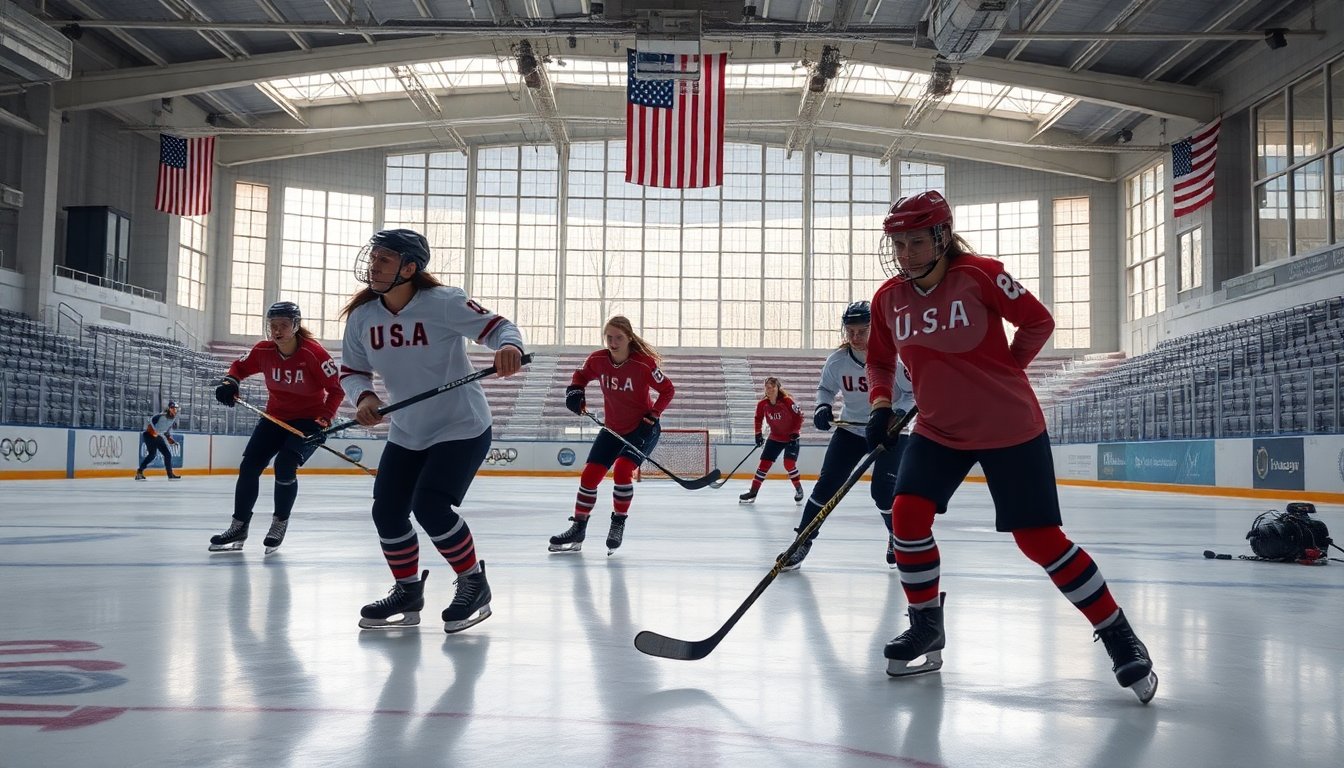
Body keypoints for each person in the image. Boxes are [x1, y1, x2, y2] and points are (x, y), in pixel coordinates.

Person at [865, 190, 1157, 703]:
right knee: (906, 516)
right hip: (938, 430)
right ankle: (926, 624)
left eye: (916, 242)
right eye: (899, 244)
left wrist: (1006, 368)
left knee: (1039, 540)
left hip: (1010, 426)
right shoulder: (888, 299)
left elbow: (1038, 320)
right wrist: (880, 406)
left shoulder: (980, 276)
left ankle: (1118, 634)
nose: (905, 254)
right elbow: (879, 360)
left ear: (942, 236)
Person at [339, 228, 524, 633]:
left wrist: (509, 347)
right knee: (387, 511)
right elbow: (352, 372)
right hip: (407, 431)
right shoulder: (363, 317)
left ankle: (473, 583)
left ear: (409, 268)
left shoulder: (444, 302)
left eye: (383, 259)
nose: (373, 266)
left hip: (461, 425)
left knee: (430, 506)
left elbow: (500, 328)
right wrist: (364, 398)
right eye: (373, 258)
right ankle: (408, 591)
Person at [781, 301, 916, 571]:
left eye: (862, 331)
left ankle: (896, 535)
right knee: (826, 486)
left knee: (883, 492)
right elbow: (825, 389)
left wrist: (898, 414)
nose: (855, 337)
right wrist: (822, 407)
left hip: (890, 431)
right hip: (851, 430)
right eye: (850, 331)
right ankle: (802, 542)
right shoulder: (837, 361)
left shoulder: (896, 358)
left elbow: (912, 393)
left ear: (875, 329)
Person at [207, 301, 345, 554]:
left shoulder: (314, 354)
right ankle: (239, 526)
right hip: (275, 418)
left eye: (283, 325)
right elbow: (239, 367)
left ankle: (279, 523)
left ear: (296, 326)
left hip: (309, 422)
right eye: (273, 325)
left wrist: (324, 419)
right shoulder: (263, 350)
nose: (277, 331)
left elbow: (336, 390)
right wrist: (231, 382)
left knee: (284, 465)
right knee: (249, 466)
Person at [549, 316, 675, 555]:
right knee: (589, 476)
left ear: (629, 338)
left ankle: (618, 522)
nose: (613, 343)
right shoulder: (597, 360)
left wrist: (654, 413)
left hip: (643, 429)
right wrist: (575, 392)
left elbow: (667, 389)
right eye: (609, 337)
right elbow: (580, 376)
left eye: (619, 338)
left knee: (622, 470)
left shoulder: (643, 364)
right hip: (612, 429)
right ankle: (578, 528)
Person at [739, 377, 804, 504]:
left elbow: (799, 416)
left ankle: (799, 489)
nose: (770, 389)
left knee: (789, 464)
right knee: (763, 465)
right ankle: (753, 491)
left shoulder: (787, 401)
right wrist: (758, 434)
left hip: (791, 437)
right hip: (775, 437)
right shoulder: (762, 404)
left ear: (778, 388)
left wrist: (795, 431)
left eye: (773, 387)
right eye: (767, 387)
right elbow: (758, 418)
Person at [135, 401, 181, 480]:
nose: (174, 410)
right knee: (152, 455)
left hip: (158, 436)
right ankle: (139, 472)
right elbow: (152, 420)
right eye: (172, 408)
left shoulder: (173, 419)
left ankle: (170, 474)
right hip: (149, 435)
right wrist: (153, 429)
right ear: (169, 409)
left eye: (175, 408)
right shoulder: (161, 416)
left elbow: (166, 430)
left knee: (167, 454)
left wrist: (169, 438)